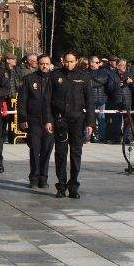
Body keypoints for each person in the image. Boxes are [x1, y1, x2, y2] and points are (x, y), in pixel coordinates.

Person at [50, 51, 95, 199]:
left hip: (77, 120)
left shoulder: (84, 76)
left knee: (76, 154)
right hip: (60, 120)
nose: (68, 64)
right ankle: (61, 186)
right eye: (66, 61)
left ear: (76, 61)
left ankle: (73, 185)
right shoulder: (56, 75)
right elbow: (48, 101)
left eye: (71, 61)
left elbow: (89, 101)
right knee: (61, 154)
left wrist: (90, 122)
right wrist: (49, 120)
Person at [17, 53, 54, 190]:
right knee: (35, 149)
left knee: (46, 150)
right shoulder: (29, 79)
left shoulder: (54, 79)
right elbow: (22, 101)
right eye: (42, 63)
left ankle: (43, 178)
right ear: (37, 64)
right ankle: (34, 177)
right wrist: (22, 118)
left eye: (47, 64)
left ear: (50, 64)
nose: (44, 66)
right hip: (34, 120)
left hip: (50, 121)